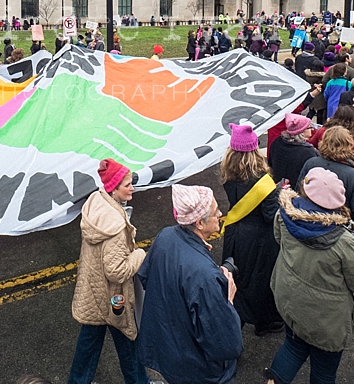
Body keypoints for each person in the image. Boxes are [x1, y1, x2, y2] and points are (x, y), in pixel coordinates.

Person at [265, 167, 354, 384]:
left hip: (291, 298)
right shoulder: (345, 242)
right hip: (327, 318)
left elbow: (279, 240)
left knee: (293, 347)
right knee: (324, 371)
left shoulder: (283, 214)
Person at [135, 184, 243, 384]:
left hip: (166, 350)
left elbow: (146, 277)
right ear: (199, 224)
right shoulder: (204, 275)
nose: (220, 213)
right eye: (215, 212)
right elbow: (226, 343)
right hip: (196, 370)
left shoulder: (165, 236)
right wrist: (226, 301)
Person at [67, 159, 147, 383]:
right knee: (128, 342)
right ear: (114, 188)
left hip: (93, 292)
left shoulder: (96, 203)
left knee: (88, 346)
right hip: (114, 298)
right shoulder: (115, 228)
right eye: (127, 185)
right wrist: (139, 255)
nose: (132, 188)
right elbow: (116, 271)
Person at [220, 124, 283, 337]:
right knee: (260, 281)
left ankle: (230, 326)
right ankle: (263, 322)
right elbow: (270, 216)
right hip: (258, 239)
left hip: (235, 232)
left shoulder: (228, 173)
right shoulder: (262, 180)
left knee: (236, 278)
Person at [301, 124, 354, 227]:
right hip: (338, 227)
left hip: (309, 220)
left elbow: (300, 191)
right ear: (349, 144)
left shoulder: (311, 163)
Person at [268, 113, 317, 189]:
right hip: (297, 191)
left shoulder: (277, 142)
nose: (312, 129)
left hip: (278, 186)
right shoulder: (307, 152)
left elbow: (270, 164)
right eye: (309, 127)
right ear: (302, 132)